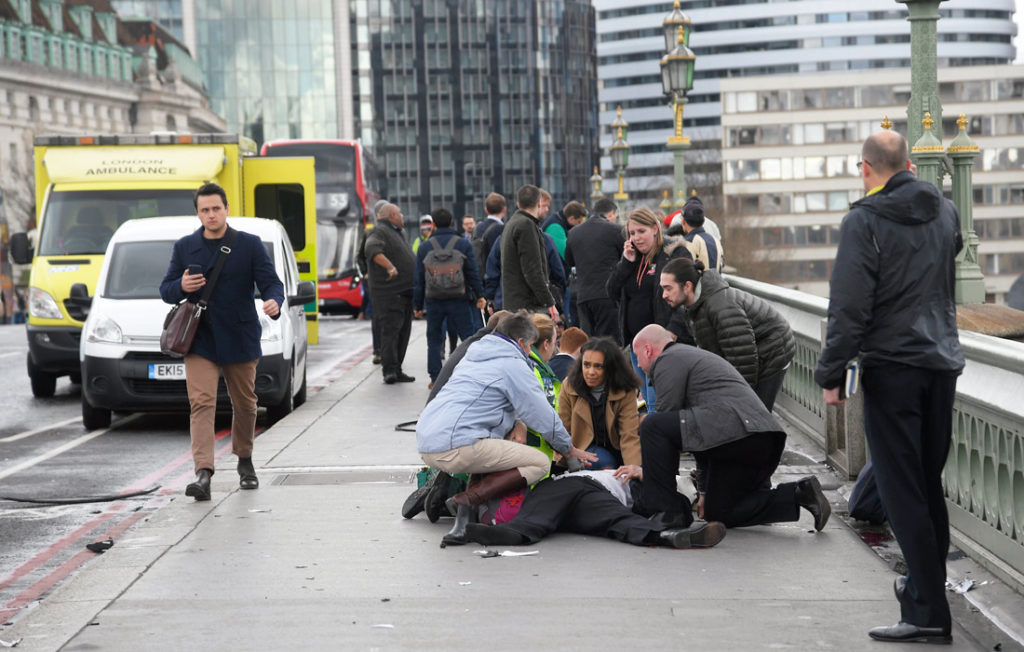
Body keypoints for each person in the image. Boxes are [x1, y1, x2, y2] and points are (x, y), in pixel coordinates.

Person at [814, 131, 963, 645]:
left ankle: (926, 612)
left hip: (894, 367)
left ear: (865, 168)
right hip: (941, 364)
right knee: (927, 485)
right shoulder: (945, 212)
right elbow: (951, 257)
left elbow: (850, 306)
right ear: (910, 166)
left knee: (902, 492)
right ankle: (927, 597)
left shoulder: (865, 220)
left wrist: (831, 373)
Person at [416, 312, 596, 546]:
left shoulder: (476, 354)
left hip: (428, 441)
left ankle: (463, 525)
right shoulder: (513, 362)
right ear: (521, 342)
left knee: (490, 449)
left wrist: (517, 423)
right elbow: (541, 414)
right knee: (538, 462)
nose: (531, 352)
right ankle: (465, 500)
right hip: (457, 444)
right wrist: (569, 450)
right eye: (530, 346)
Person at [631, 325, 830, 532]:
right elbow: (695, 435)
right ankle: (799, 494)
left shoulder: (668, 359)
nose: (638, 364)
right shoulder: (693, 358)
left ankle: (667, 514)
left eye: (637, 357)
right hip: (759, 441)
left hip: (738, 434)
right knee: (718, 513)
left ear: (647, 350)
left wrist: (650, 476)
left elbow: (665, 425)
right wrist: (704, 492)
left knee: (652, 425)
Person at [159, 182, 284, 501]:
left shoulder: (250, 245)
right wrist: (182, 285)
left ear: (227, 209)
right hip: (200, 338)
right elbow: (165, 289)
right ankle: (203, 473)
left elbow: (271, 283)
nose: (211, 214)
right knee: (201, 403)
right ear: (198, 213)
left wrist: (274, 302)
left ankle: (244, 459)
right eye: (205, 210)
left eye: (216, 208)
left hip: (240, 335)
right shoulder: (185, 246)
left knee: (245, 403)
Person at [461, 469, 726, 549]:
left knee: (616, 519)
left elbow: (676, 505)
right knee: (616, 520)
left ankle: (667, 536)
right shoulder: (636, 476)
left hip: (586, 495)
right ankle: (664, 535)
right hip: (575, 489)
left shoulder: (656, 493)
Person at [661, 258, 795, 411]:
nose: (664, 295)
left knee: (756, 414)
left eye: (668, 288)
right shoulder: (691, 306)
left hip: (773, 349)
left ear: (687, 286)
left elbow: (744, 358)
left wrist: (738, 398)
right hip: (752, 350)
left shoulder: (720, 307)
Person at [606, 207, 694, 410]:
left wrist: (672, 330)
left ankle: (661, 440)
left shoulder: (674, 252)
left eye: (641, 231)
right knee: (648, 398)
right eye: (632, 233)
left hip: (663, 344)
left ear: (655, 229)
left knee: (658, 404)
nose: (636, 238)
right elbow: (611, 291)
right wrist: (625, 263)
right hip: (638, 345)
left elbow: (687, 295)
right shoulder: (632, 258)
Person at [413, 208, 487, 387]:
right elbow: (472, 273)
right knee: (467, 337)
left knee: (434, 339)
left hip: (434, 300)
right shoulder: (462, 244)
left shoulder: (425, 247)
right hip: (459, 298)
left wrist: (417, 305)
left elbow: (419, 278)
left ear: (434, 225)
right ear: (453, 222)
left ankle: (435, 377)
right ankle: (470, 372)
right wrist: (479, 295)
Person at [558, 337, 641, 470]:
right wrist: (568, 457)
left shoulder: (625, 389)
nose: (591, 372)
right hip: (585, 448)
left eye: (598, 366)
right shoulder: (569, 386)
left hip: (619, 447)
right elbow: (564, 428)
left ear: (610, 368)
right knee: (602, 461)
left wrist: (634, 468)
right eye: (586, 365)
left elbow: (629, 434)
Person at [364, 203, 417, 384]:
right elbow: (371, 250)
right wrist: (390, 267)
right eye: (400, 212)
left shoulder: (397, 232)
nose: (403, 215)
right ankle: (389, 371)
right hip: (390, 293)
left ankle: (397, 368)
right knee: (391, 332)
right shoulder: (378, 231)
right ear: (393, 215)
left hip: (405, 292)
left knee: (403, 332)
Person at [565, 197, 624, 343]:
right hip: (607, 296)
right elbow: (626, 259)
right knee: (610, 344)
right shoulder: (615, 230)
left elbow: (569, 261)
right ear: (611, 213)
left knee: (589, 342)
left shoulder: (574, 233)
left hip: (583, 296)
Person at [500, 185, 556, 315]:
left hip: (514, 303)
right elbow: (532, 271)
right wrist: (549, 303)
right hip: (528, 306)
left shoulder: (512, 223)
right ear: (538, 203)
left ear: (518, 204)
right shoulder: (526, 225)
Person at [679, 196, 723, 272]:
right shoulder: (715, 240)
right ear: (703, 222)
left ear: (683, 221)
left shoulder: (687, 242)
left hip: (697, 283)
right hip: (717, 283)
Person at [471, 192, 507, 282]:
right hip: (496, 279)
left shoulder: (476, 228)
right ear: (504, 210)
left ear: (486, 210)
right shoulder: (503, 229)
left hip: (479, 276)